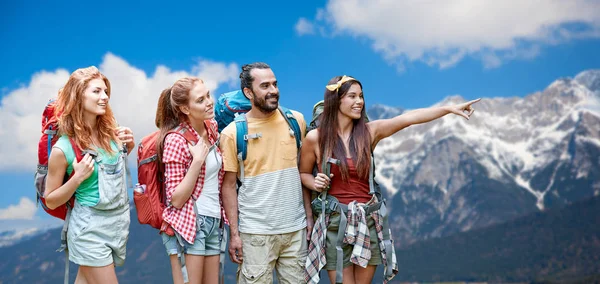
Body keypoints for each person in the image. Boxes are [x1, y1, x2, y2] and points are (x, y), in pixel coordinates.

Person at [301, 75, 481, 284]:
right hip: (334, 222)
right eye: (352, 96)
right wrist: (314, 182)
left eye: (361, 96)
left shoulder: (369, 132)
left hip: (368, 220)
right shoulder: (316, 138)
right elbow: (303, 173)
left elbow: (408, 118)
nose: (359, 101)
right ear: (335, 100)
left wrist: (449, 109)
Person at [220, 62, 312, 283]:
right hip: (255, 234)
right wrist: (235, 234)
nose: (273, 90)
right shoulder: (233, 133)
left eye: (275, 84)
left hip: (295, 230)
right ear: (248, 93)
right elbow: (228, 186)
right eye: (265, 86)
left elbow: (304, 172)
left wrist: (309, 216)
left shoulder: (296, 121)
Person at [44, 66, 135, 283]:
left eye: (105, 92)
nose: (104, 97)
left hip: (117, 224)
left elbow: (113, 171)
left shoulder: (112, 136)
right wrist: (77, 178)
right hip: (88, 230)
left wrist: (127, 148)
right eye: (96, 91)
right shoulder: (63, 148)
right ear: (78, 96)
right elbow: (51, 200)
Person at [155, 77, 227, 284]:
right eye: (200, 100)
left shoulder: (212, 128)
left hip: (214, 221)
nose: (209, 102)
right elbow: (175, 199)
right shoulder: (175, 140)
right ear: (185, 108)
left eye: (208, 95)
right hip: (189, 224)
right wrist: (197, 161)